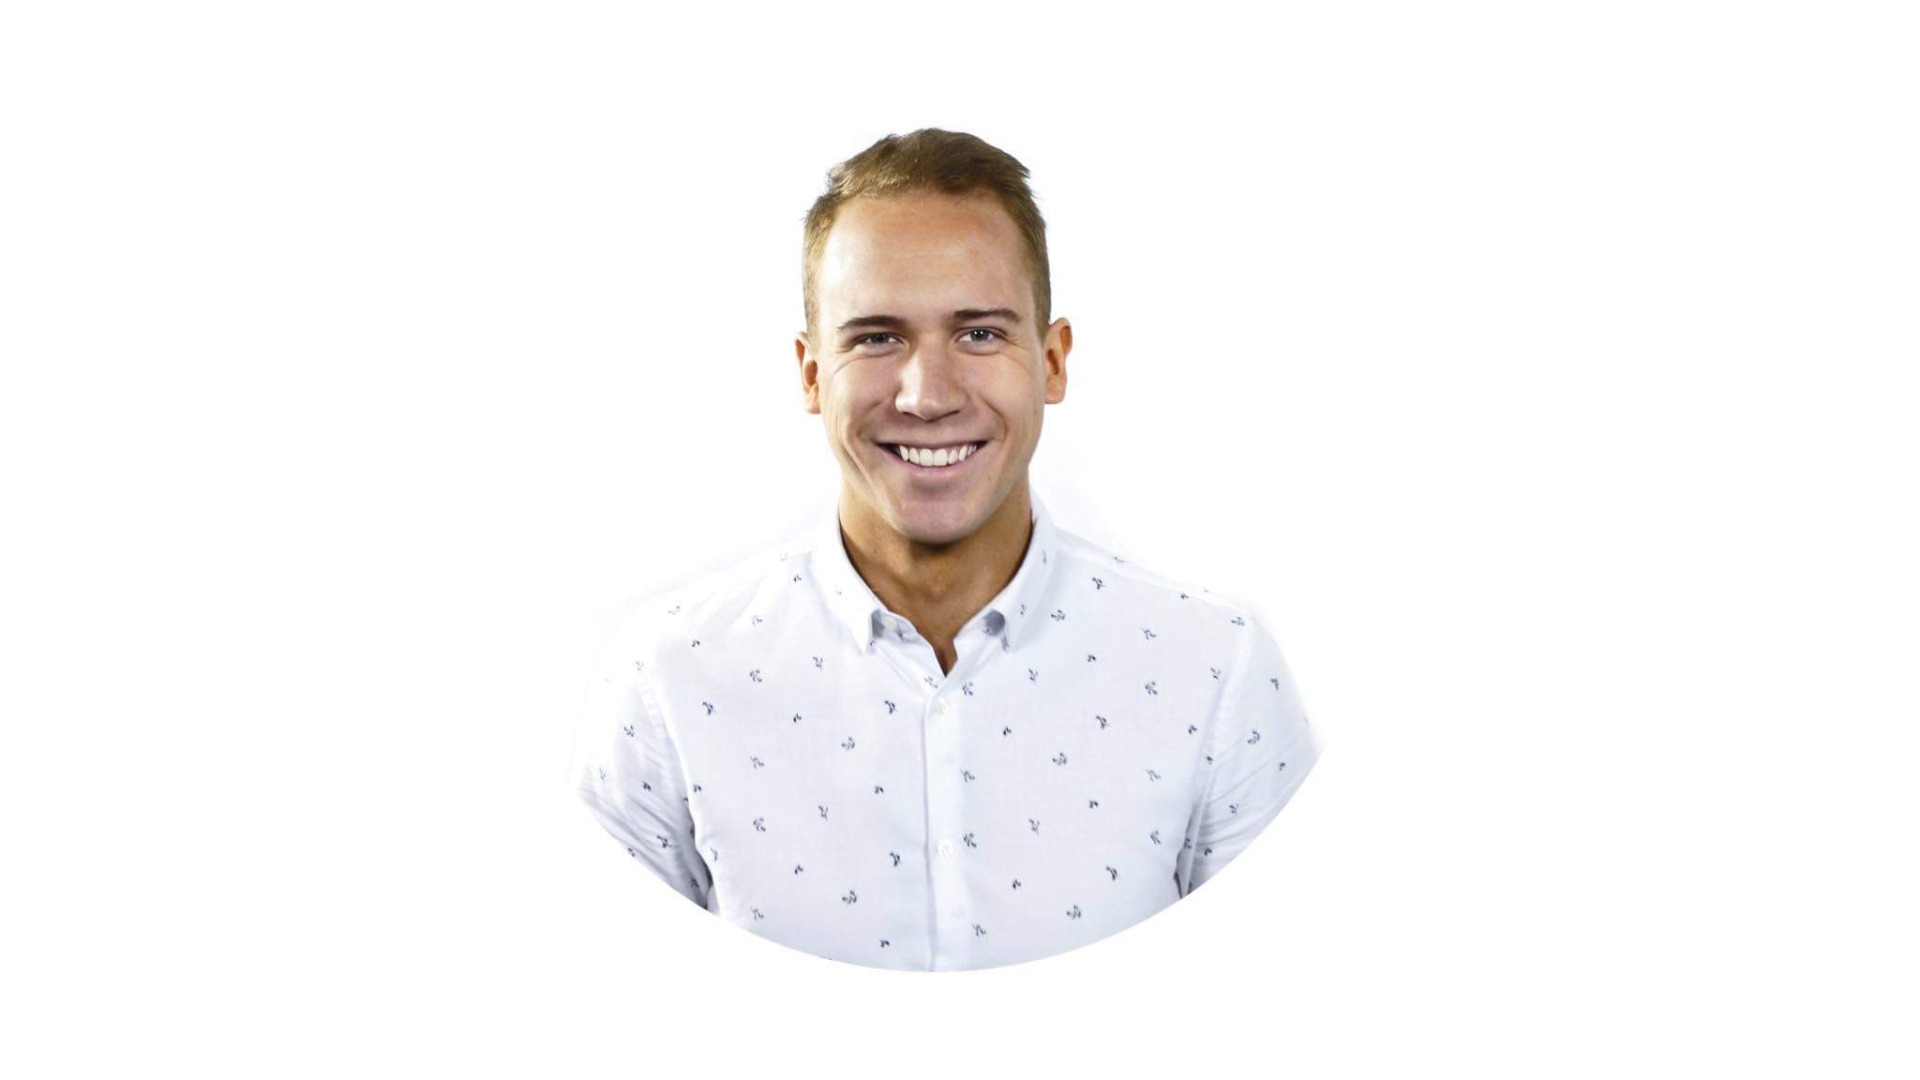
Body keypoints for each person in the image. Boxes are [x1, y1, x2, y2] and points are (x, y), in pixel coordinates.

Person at [570, 128, 1322, 971]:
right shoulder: (669, 678)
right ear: (812, 374)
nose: (927, 397)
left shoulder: (1215, 670)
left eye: (980, 335)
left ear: (1052, 362)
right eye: (876, 337)